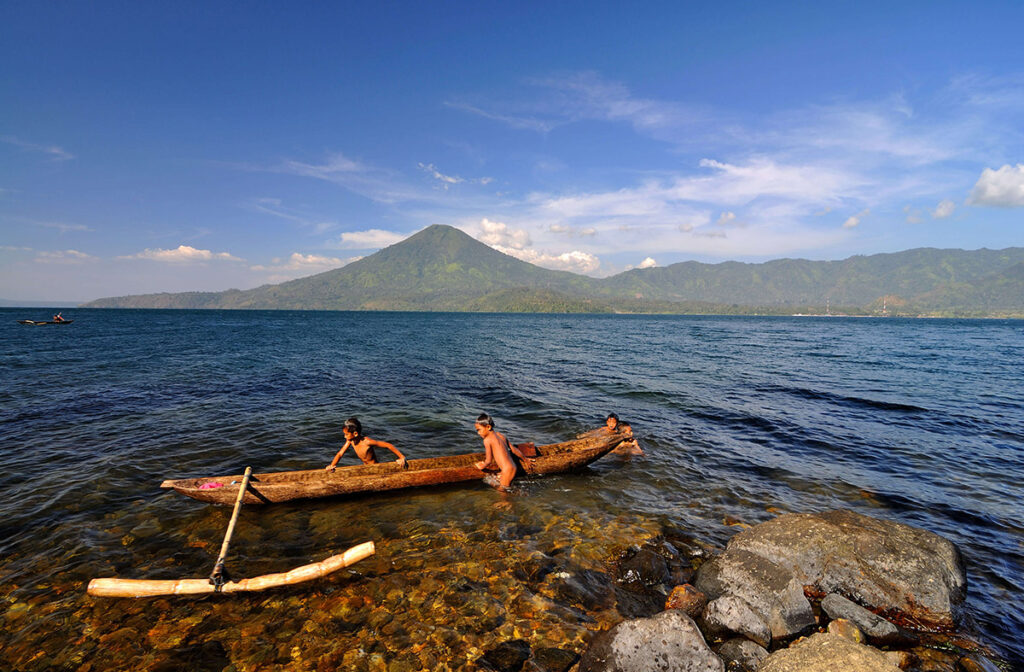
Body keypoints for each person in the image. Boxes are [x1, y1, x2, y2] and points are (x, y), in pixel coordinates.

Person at [473, 413, 529, 491]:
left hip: (507, 470)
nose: (478, 433)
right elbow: (514, 450)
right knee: (503, 486)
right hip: (512, 467)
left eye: (479, 430)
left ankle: (508, 501)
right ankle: (517, 493)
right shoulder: (501, 435)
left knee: (502, 491)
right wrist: (525, 459)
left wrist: (482, 466)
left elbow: (488, 460)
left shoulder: (487, 440)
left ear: (488, 427)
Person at [325, 417, 406, 471]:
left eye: (346, 434)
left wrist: (401, 457)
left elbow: (388, 445)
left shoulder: (367, 442)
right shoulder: (350, 441)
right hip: (365, 467)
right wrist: (332, 465)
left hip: (375, 467)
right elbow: (340, 454)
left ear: (355, 433)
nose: (344, 437)